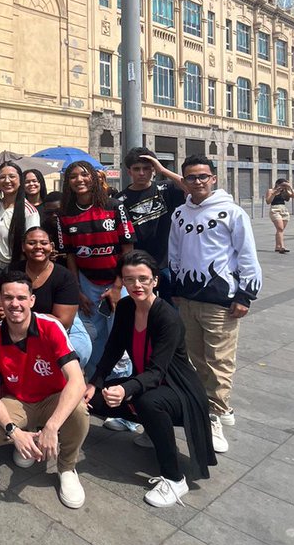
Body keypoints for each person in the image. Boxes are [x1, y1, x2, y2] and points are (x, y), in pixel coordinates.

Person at [87, 252, 216, 507]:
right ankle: (152, 431)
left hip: (180, 392)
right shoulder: (125, 307)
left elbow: (157, 372)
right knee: (98, 400)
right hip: (148, 383)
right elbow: (112, 348)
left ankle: (174, 479)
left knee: (148, 402)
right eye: (129, 280)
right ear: (122, 282)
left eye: (143, 279)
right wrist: (95, 383)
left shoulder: (167, 317)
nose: (137, 286)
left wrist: (125, 389)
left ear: (155, 280)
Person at [168, 156, 262, 453]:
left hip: (221, 300)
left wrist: (245, 294)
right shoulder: (180, 213)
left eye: (202, 176)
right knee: (195, 359)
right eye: (191, 177)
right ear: (183, 181)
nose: (197, 182)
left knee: (220, 360)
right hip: (188, 299)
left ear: (214, 178)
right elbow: (175, 251)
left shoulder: (232, 213)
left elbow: (246, 254)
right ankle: (203, 406)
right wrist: (177, 287)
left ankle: (217, 413)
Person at [0, 271, 90, 509]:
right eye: (8, 297)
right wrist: (14, 432)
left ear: (32, 300)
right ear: (0, 299)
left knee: (79, 412)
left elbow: (77, 381)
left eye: (21, 297)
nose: (14, 304)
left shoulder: (50, 327)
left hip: (52, 397)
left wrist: (52, 426)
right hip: (19, 400)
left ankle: (67, 468)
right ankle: (28, 439)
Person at [55, 160, 134, 377]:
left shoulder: (114, 206)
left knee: (119, 336)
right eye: (73, 176)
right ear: (67, 182)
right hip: (87, 284)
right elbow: (70, 255)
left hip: (118, 282)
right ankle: (97, 384)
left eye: (84, 174)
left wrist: (118, 286)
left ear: (94, 177)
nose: (79, 180)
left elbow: (127, 249)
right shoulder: (64, 214)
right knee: (93, 337)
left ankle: (121, 390)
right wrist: (77, 291)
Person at [18, 226, 92, 369]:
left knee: (78, 353)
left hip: (61, 332)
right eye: (32, 243)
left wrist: (22, 317)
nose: (38, 247)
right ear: (23, 246)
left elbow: (62, 323)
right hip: (21, 334)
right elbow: (1, 311)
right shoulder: (12, 271)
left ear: (51, 247)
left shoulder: (64, 277)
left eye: (43, 243)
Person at [117, 147, 185, 296]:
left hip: (169, 263)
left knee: (171, 312)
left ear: (153, 169)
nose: (142, 173)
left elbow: (190, 187)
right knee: (143, 310)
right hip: (140, 265)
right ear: (129, 172)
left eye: (147, 168)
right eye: (137, 169)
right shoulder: (119, 200)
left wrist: (163, 170)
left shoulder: (167, 188)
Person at [0, 162, 36, 277]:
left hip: (15, 270)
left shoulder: (29, 211)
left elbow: (33, 246)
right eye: (2, 177)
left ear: (20, 181)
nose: (7, 180)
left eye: (12, 176)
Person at [266, 177, 294, 253]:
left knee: (280, 230)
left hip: (284, 210)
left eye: (284, 185)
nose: (283, 187)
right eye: (282, 185)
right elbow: (268, 201)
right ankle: (282, 247)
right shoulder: (271, 191)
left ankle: (277, 247)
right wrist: (274, 193)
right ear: (277, 184)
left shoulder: (285, 191)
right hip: (275, 209)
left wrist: (289, 187)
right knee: (280, 228)